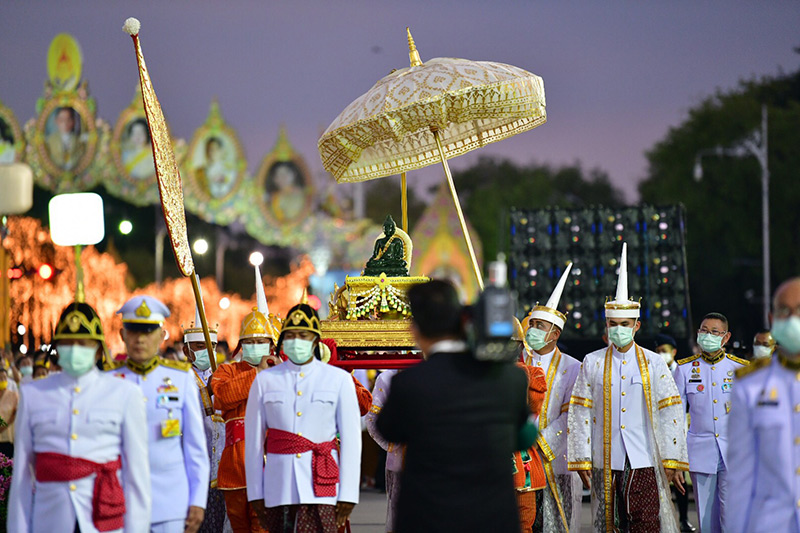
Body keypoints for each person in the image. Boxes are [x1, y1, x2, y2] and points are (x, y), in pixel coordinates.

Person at [375, 280, 533, 533]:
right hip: (491, 518)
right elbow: (525, 436)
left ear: (416, 330)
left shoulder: (410, 382)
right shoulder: (509, 379)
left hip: (428, 518)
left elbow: (388, 429)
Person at [567, 243, 688, 532]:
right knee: (609, 523)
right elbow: (580, 411)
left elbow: (671, 411)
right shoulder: (593, 361)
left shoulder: (653, 362)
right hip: (605, 458)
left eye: (624, 323)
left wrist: (672, 458)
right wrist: (581, 458)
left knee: (645, 523)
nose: (618, 329)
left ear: (636, 325)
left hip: (643, 457)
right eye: (613, 324)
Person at [8, 300, 151, 532]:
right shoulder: (33, 394)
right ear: (57, 348)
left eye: (83, 343)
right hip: (50, 521)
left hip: (103, 519)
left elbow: (137, 477)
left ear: (98, 349)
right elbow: (22, 476)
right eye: (68, 343)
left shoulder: (125, 394)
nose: (75, 349)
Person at [245, 296, 361, 533]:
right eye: (290, 335)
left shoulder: (339, 380)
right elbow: (253, 443)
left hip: (323, 485)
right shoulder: (265, 380)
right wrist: (255, 493)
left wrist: (348, 494)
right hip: (279, 486)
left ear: (316, 340)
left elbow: (352, 441)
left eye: (303, 335)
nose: (296, 341)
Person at [109, 295, 209, 533]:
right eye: (133, 331)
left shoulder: (180, 378)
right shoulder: (108, 380)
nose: (140, 339)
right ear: (122, 335)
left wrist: (197, 500)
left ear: (162, 335)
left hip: (170, 503)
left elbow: (195, 448)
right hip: (121, 500)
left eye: (148, 331)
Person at [726, 277, 800, 532]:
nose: (792, 319)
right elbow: (741, 475)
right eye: (784, 311)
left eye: (799, 310)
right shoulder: (750, 385)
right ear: (772, 318)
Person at [212, 265, 279, 533]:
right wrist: (257, 374)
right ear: (240, 346)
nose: (254, 346)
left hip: (270, 464)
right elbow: (222, 397)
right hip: (235, 468)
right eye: (249, 342)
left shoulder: (281, 373)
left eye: (260, 341)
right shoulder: (226, 371)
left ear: (271, 346)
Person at [519, 263, 583, 533]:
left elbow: (573, 414)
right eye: (532, 324)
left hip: (554, 457)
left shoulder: (573, 367)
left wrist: (541, 442)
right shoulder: (516, 361)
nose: (532, 329)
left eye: (540, 326)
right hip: (519, 457)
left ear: (555, 334)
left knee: (557, 522)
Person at [672, 313, 747, 533]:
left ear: (726, 337)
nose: (708, 335)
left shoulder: (740, 368)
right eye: (704, 330)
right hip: (700, 451)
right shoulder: (685, 369)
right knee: (705, 518)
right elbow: (676, 416)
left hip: (734, 451)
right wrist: (677, 459)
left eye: (714, 332)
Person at [181, 297, 230, 533]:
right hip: (191, 466)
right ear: (186, 350)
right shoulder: (179, 378)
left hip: (221, 467)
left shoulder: (224, 374)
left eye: (210, 347)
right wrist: (206, 392)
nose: (206, 352)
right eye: (200, 347)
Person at [653, 333, 695, 533]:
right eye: (658, 351)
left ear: (674, 352)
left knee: (680, 478)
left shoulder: (683, 371)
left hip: (679, 430)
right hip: (658, 431)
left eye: (664, 351)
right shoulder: (653, 371)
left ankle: (684, 519)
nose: (661, 354)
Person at [511, 317, 548, 532]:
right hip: (520, 460)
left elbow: (534, 406)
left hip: (512, 461)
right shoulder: (530, 373)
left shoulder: (530, 374)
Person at [365, 369, 402, 532]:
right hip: (400, 461)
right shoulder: (387, 377)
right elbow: (372, 418)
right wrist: (394, 444)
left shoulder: (441, 372)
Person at [0, 362, 18, 457]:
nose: (2, 380)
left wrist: (5, 425)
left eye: (4, 378)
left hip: (8, 438)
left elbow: (16, 414)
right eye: (0, 378)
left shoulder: (13, 396)